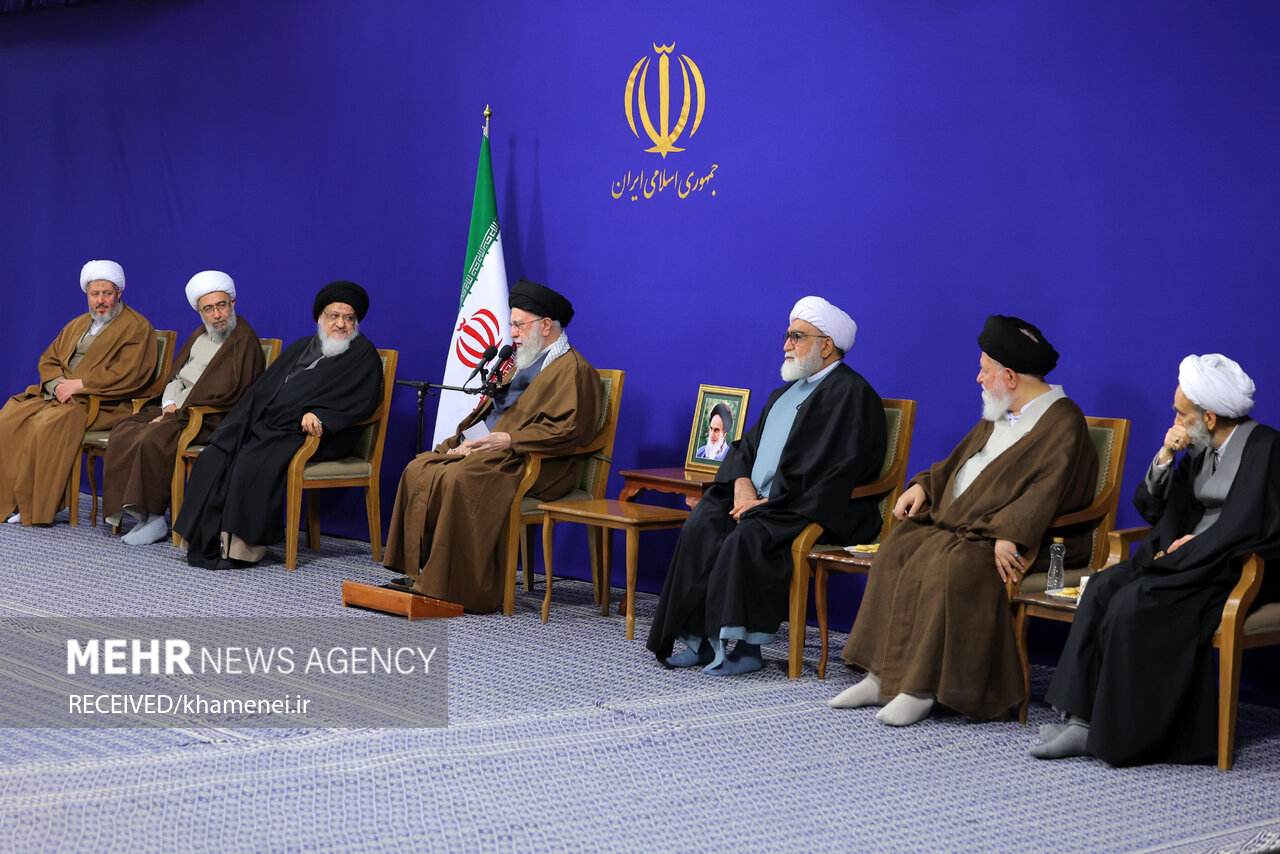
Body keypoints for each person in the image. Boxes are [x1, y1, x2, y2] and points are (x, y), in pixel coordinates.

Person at [832, 315, 1097, 724]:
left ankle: (920, 689)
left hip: (1031, 540)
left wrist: (1011, 533)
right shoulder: (1001, 411)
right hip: (969, 526)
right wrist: (924, 486)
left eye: (984, 370)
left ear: (1010, 377)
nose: (978, 378)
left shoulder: (1064, 421)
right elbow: (959, 462)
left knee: (953, 563)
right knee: (898, 547)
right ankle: (881, 677)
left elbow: (1049, 491)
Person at [1033, 354, 1280, 765]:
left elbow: (1251, 524)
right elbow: (1153, 510)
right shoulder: (1200, 448)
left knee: (1134, 602)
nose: (1176, 421)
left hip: (1229, 567)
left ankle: (1114, 732)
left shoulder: (1265, 448)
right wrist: (1166, 455)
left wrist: (1193, 547)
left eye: (1182, 414)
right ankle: (1078, 717)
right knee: (1103, 587)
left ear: (1209, 417)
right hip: (1187, 559)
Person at [647, 296, 887, 675]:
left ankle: (748, 648)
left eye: (797, 337)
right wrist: (742, 484)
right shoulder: (784, 394)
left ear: (826, 346)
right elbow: (744, 447)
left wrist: (772, 502)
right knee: (703, 521)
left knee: (750, 535)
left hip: (811, 507)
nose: (786, 345)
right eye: (787, 335)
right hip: (762, 502)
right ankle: (698, 640)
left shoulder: (853, 395)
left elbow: (844, 470)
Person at [383, 279, 602, 613]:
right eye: (512, 324)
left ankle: (457, 585)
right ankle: (421, 572)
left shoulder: (575, 370)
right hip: (493, 454)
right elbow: (494, 413)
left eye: (519, 325)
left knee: (460, 478)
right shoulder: (521, 362)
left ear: (546, 325)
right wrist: (464, 442)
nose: (512, 333)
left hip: (537, 465)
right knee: (420, 467)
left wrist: (511, 440)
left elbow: (571, 430)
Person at [172, 281, 382, 569]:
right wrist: (246, 418)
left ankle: (242, 551)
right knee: (217, 452)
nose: (341, 324)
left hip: (317, 434)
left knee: (251, 462)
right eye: (334, 316)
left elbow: (363, 402)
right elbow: (265, 388)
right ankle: (202, 538)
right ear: (320, 317)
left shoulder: (364, 355)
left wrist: (320, 415)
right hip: (274, 424)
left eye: (348, 318)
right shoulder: (303, 346)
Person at [101, 271, 266, 545]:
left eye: (222, 306)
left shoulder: (243, 340)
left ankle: (155, 517)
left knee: (154, 438)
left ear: (233, 304)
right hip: (178, 409)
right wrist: (168, 405)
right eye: (208, 309)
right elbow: (177, 378)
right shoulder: (200, 335)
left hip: (212, 417)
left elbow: (229, 393)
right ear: (200, 312)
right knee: (124, 429)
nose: (217, 315)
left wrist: (177, 414)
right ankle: (138, 515)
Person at [0, 260, 157, 526]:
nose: (100, 301)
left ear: (119, 293)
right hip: (60, 396)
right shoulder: (78, 324)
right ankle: (9, 501)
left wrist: (80, 385)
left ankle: (35, 507)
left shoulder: (137, 327)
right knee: (8, 419)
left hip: (102, 404)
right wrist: (57, 385)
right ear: (87, 294)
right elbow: (49, 358)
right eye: (94, 294)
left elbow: (130, 373)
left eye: (107, 293)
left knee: (45, 425)